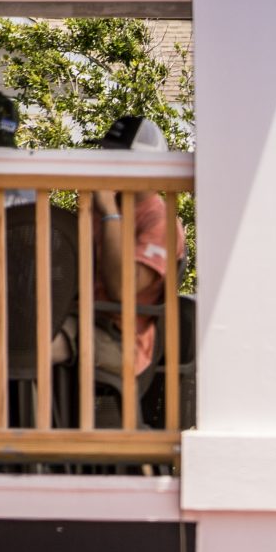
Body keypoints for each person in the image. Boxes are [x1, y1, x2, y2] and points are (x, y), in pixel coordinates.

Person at [92, 115, 187, 386]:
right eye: (106, 155)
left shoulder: (160, 221)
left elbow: (122, 290)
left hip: (120, 339)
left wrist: (110, 215)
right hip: (77, 319)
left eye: (117, 159)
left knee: (33, 343)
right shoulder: (107, 202)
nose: (107, 165)